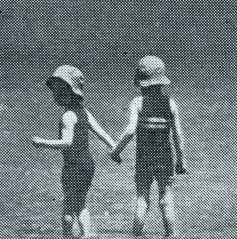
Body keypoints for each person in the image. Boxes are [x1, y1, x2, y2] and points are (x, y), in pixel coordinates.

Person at [33, 64, 117, 237]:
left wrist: (42, 142)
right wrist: (114, 148)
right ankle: (86, 235)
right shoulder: (84, 111)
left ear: (71, 92)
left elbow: (67, 143)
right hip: (88, 165)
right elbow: (101, 132)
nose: (55, 96)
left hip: (73, 167)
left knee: (68, 207)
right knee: (81, 204)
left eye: (59, 92)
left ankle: (67, 236)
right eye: (55, 92)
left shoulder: (67, 116)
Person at [109, 56, 187, 238]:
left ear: (141, 82)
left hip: (144, 159)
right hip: (165, 159)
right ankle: (171, 235)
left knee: (142, 199)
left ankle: (136, 235)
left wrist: (116, 151)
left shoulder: (137, 103)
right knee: (166, 198)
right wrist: (181, 160)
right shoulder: (170, 103)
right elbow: (178, 134)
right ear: (162, 81)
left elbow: (129, 131)